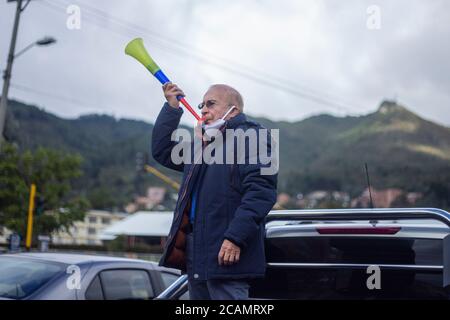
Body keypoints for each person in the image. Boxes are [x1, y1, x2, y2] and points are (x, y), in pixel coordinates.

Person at [152, 83, 277, 299]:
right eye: (202, 105)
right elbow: (163, 151)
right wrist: (171, 108)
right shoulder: (203, 145)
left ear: (233, 110)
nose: (203, 110)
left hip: (227, 253)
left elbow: (261, 193)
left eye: (211, 104)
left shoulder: (253, 137)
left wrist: (235, 238)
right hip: (197, 253)